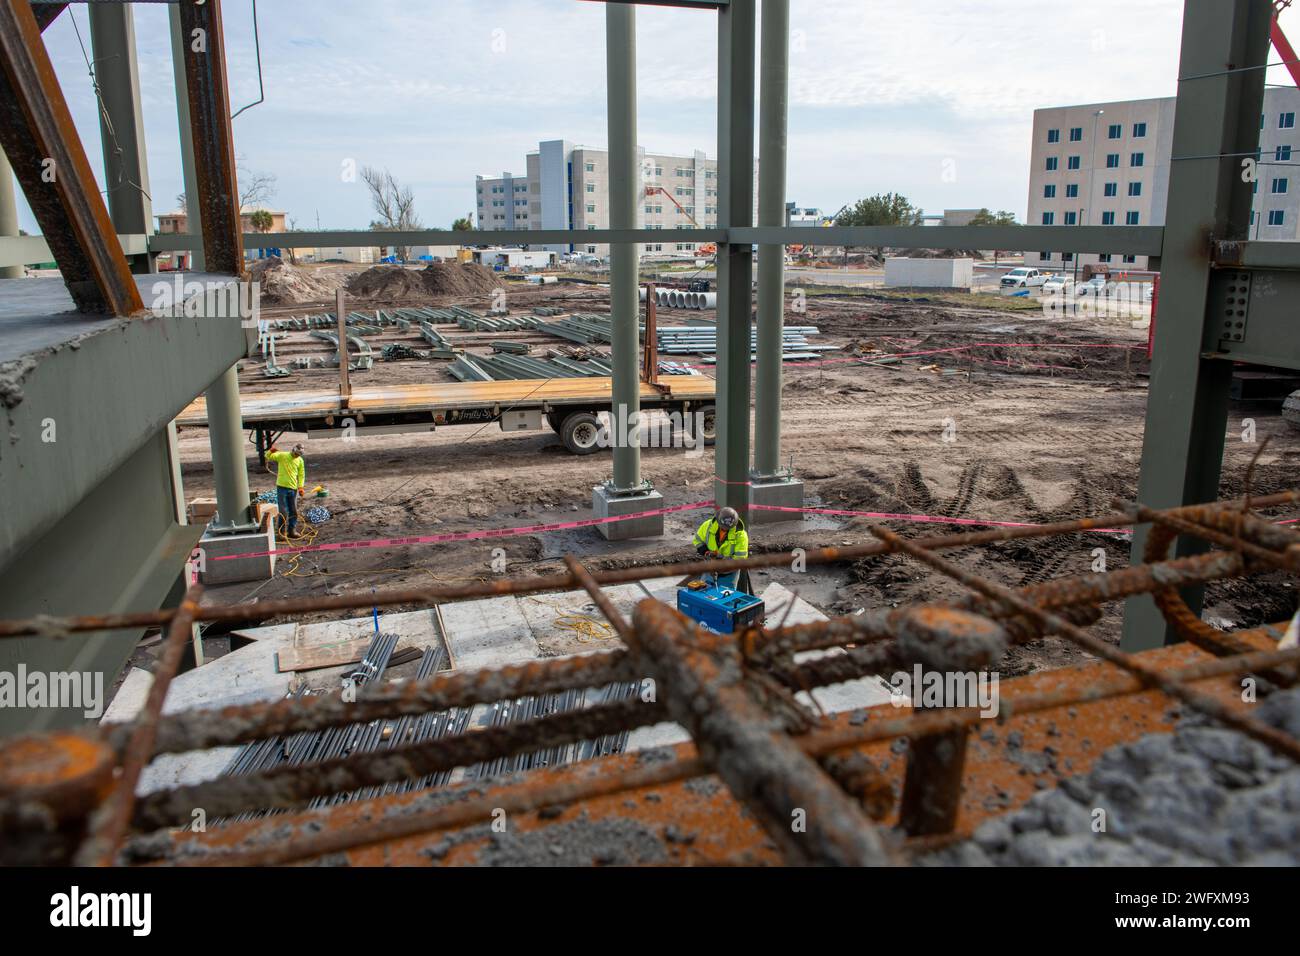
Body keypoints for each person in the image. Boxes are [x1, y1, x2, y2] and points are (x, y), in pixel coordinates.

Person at [692, 506, 749, 590]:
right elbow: (698, 540)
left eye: (728, 529)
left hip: (729, 574)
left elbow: (740, 559)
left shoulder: (740, 535)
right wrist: (705, 552)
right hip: (709, 569)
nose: (725, 530)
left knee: (726, 597)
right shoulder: (708, 526)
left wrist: (722, 562)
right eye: (723, 528)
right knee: (704, 594)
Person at [265, 443, 306, 539]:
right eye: (296, 454)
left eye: (298, 455)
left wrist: (300, 487)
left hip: (293, 489)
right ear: (293, 450)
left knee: (293, 511)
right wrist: (271, 451)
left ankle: (291, 531)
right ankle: (280, 533)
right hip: (282, 488)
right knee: (283, 512)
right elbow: (267, 456)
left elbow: (301, 474)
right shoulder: (282, 455)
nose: (297, 456)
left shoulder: (299, 460)